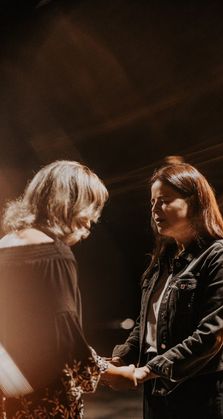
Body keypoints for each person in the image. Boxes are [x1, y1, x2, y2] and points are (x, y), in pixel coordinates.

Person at [0, 160, 137, 419]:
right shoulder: (55, 254)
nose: (90, 223)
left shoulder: (4, 245)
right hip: (46, 399)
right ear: (69, 204)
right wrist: (110, 373)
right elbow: (65, 339)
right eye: (90, 211)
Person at [112, 159, 223, 419]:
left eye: (165, 200)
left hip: (204, 393)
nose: (156, 209)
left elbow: (210, 335)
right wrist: (119, 360)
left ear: (195, 202)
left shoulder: (221, 256)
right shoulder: (164, 260)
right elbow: (145, 325)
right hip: (160, 391)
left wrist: (148, 370)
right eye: (152, 202)